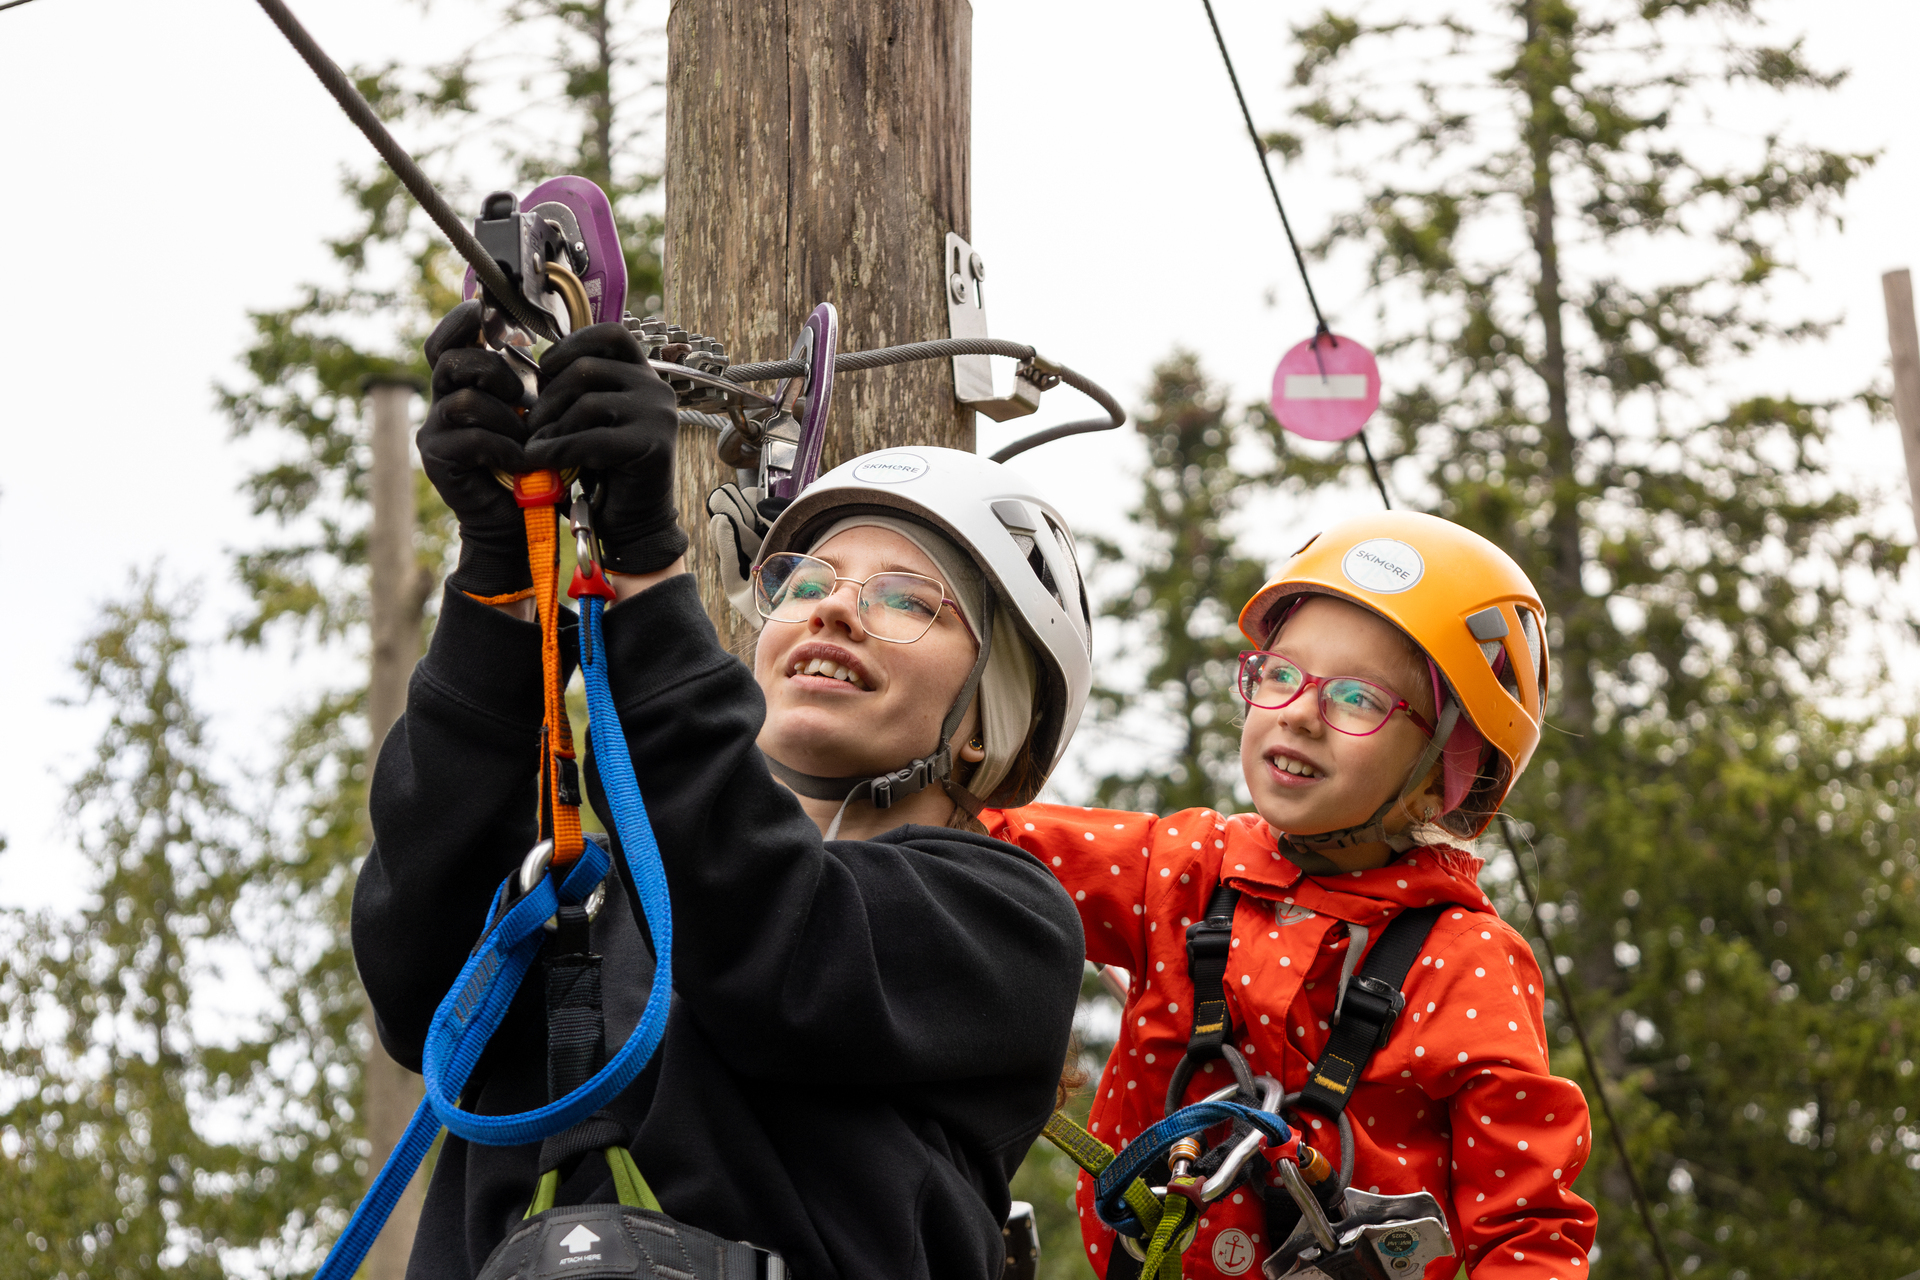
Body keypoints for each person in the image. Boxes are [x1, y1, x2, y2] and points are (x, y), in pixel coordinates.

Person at [354, 302, 1090, 1279]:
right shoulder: (589, 900)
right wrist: (499, 579)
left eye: (908, 598)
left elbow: (771, 935)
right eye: (804, 581)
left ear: (993, 711)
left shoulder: (1006, 927)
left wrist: (653, 575)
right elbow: (419, 981)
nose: (833, 605)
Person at [982, 513, 1599, 1278]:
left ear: (1453, 770)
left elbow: (1527, 1231)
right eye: (1279, 675)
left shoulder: (1463, 965)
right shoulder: (1183, 872)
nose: (1301, 713)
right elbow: (981, 841)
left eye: (1358, 699)